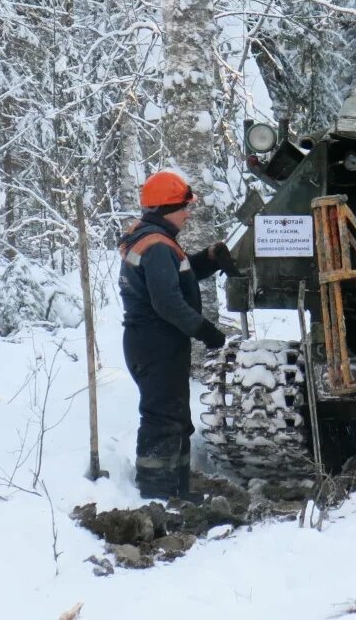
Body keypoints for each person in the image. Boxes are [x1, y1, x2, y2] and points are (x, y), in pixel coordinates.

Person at [118, 170, 237, 500]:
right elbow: (167, 301)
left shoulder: (151, 239)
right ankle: (158, 493)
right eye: (184, 206)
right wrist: (205, 331)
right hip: (156, 343)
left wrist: (209, 259)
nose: (188, 213)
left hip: (152, 342)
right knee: (163, 416)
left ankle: (178, 490)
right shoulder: (156, 246)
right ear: (166, 209)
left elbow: (175, 278)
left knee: (175, 416)